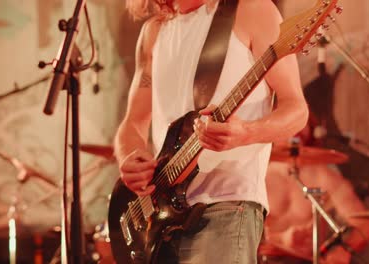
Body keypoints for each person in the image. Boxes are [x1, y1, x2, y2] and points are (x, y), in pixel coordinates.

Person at [115, 0, 309, 263]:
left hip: (226, 206)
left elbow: (296, 110)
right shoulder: (154, 31)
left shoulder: (252, 10)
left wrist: (246, 133)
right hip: (160, 215)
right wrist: (131, 156)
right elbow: (133, 122)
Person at [258, 123, 369, 264]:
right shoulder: (258, 177)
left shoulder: (323, 176)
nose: (296, 131)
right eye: (289, 122)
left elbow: (366, 224)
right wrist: (282, 239)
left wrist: (342, 250)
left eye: (302, 122)